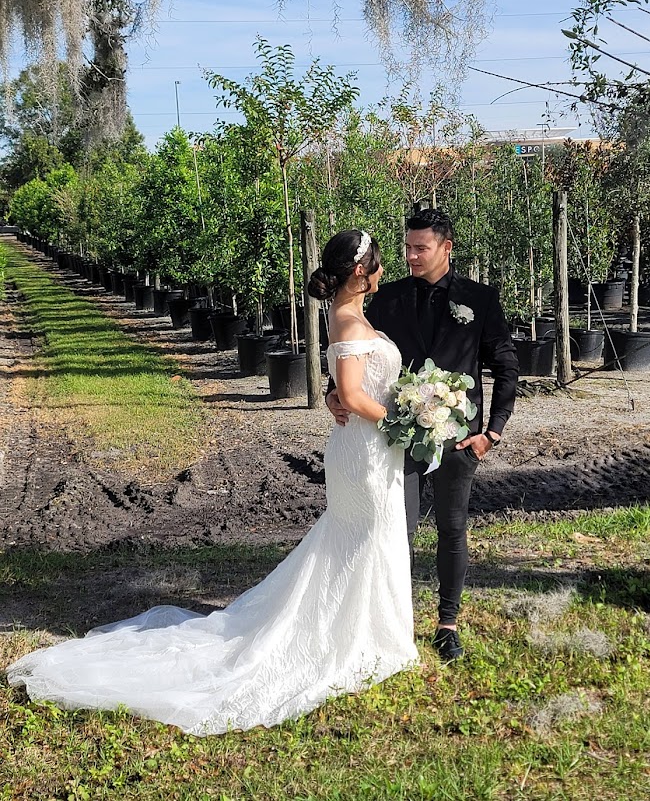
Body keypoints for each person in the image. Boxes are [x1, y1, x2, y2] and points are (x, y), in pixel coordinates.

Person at [7, 230, 418, 735]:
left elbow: (346, 386)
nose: (383, 270)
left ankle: (372, 630)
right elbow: (353, 395)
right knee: (364, 537)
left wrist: (355, 400)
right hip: (367, 449)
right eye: (377, 263)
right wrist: (404, 421)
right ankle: (361, 637)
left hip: (368, 448)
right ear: (360, 271)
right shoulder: (348, 318)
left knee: (361, 539)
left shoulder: (347, 315)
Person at [327, 209, 519, 662]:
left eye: (421, 248)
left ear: (446, 248)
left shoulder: (480, 299)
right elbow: (352, 352)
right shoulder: (385, 297)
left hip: (458, 438)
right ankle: (395, 624)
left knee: (453, 529)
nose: (411, 256)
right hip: (396, 441)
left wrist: (491, 433)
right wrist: (334, 391)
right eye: (408, 247)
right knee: (398, 530)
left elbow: (507, 366)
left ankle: (447, 625)